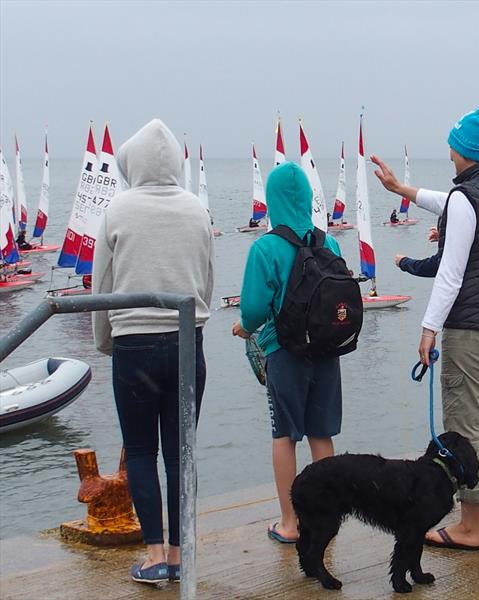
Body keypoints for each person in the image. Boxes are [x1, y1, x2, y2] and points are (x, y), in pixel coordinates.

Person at [373, 103, 479, 548]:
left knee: (465, 428)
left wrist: (428, 329)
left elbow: (451, 273)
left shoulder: (467, 199)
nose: (447, 148)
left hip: (476, 329)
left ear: (463, 150)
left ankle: (468, 527)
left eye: (452, 142)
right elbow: (448, 203)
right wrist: (400, 189)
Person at [92, 118, 214, 584]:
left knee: (141, 451)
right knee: (181, 452)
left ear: (131, 163)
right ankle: (184, 554)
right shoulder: (197, 209)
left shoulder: (117, 211)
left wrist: (106, 342)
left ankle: (154, 554)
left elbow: (102, 287)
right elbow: (205, 279)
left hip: (134, 344)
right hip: (187, 340)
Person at [233, 162, 343, 545]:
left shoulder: (265, 247)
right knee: (321, 433)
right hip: (327, 351)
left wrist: (245, 329)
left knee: (284, 434)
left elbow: (253, 310)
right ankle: (326, 519)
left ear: (273, 199)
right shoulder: (329, 243)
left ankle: (290, 522)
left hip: (285, 352)